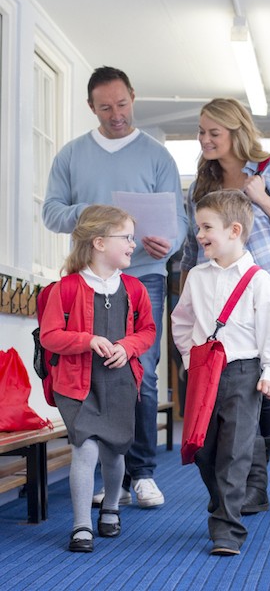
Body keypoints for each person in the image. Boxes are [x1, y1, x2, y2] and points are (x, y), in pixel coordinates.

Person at [42, 66, 187, 508]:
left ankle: (140, 474)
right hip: (87, 278)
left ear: (133, 98)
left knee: (138, 375)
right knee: (95, 373)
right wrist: (94, 215)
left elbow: (178, 223)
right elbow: (51, 213)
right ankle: (111, 475)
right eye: (105, 107)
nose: (116, 114)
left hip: (144, 274)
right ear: (92, 107)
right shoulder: (70, 155)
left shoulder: (158, 156)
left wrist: (170, 242)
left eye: (122, 104)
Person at [179, 98, 270, 514]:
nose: (204, 139)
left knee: (262, 388)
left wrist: (261, 198)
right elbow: (192, 245)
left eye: (213, 133)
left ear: (237, 132)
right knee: (221, 395)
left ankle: (255, 475)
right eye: (201, 131)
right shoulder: (200, 184)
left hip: (269, 290)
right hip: (216, 305)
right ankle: (239, 480)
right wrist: (186, 292)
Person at [171, 190, 270, 556]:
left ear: (234, 230)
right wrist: (190, 361)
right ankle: (224, 499)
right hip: (203, 371)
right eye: (198, 227)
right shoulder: (196, 277)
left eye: (207, 227)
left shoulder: (258, 280)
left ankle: (227, 528)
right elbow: (181, 322)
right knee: (202, 448)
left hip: (243, 371)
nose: (199, 234)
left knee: (235, 450)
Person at [40, 205, 156, 552]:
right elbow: (49, 336)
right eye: (127, 238)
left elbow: (148, 330)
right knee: (85, 448)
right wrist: (87, 340)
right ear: (100, 242)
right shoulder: (66, 289)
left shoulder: (135, 289)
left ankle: (110, 507)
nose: (133, 245)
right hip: (76, 386)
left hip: (119, 383)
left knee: (115, 452)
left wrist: (129, 346)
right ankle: (80, 526)